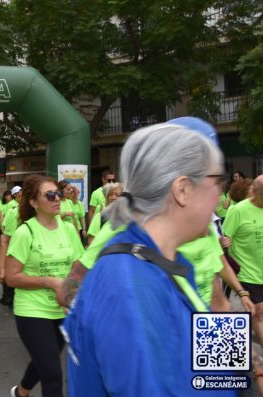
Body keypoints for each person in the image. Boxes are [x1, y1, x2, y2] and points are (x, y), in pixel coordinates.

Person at [65, 123, 235, 396]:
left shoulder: (170, 259)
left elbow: (213, 314)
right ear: (183, 189)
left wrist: (243, 370)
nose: (220, 195)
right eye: (217, 181)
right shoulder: (131, 289)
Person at [5, 175, 84, 397]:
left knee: (44, 362)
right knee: (52, 373)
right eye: (50, 195)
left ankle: (21, 392)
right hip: (32, 310)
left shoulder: (68, 229)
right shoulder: (25, 232)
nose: (57, 198)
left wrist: (71, 295)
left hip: (61, 310)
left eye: (58, 193)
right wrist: (49, 281)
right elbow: (11, 278)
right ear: (33, 202)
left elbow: (77, 268)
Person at [223, 174, 263, 359]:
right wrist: (224, 242)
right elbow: (224, 238)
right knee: (259, 313)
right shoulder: (238, 211)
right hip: (249, 273)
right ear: (254, 192)